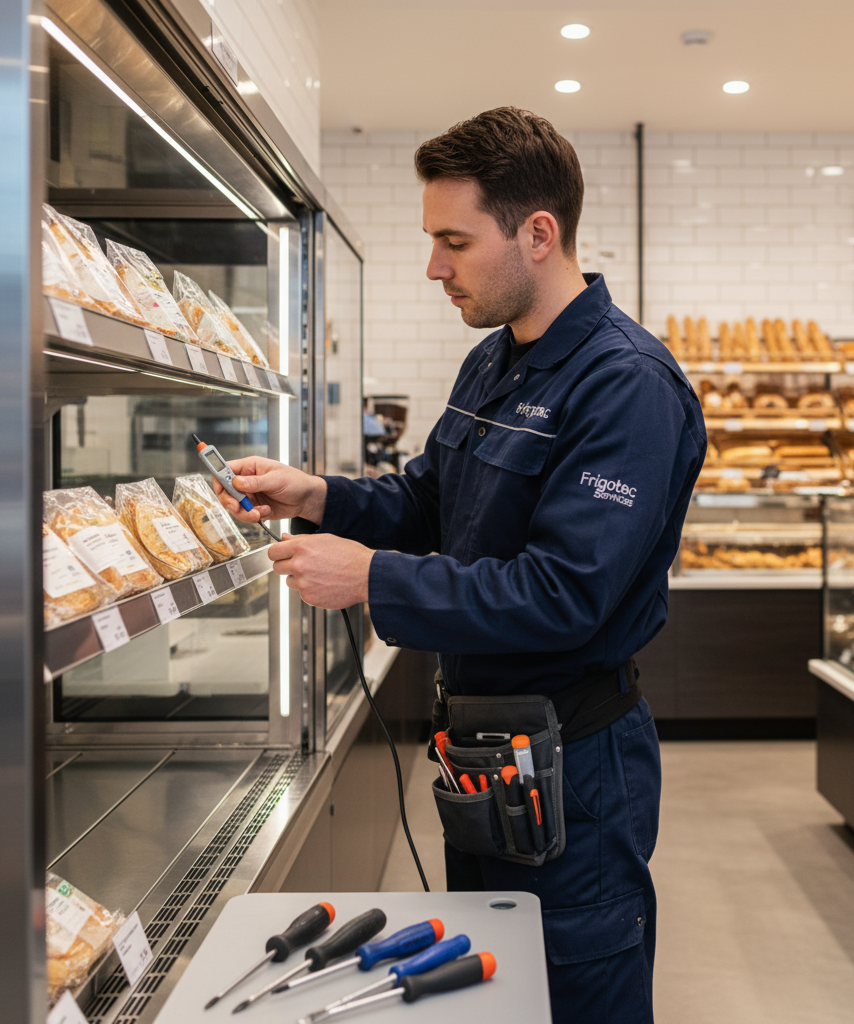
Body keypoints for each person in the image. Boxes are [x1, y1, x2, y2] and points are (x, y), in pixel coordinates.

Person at [214, 107, 706, 1024]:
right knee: (497, 988)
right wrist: (316, 494)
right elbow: (432, 504)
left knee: (574, 985)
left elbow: (564, 597)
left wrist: (371, 580)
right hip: (485, 755)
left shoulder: (625, 385)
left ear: (538, 232)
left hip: (576, 764)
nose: (435, 267)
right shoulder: (494, 361)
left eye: (454, 241)